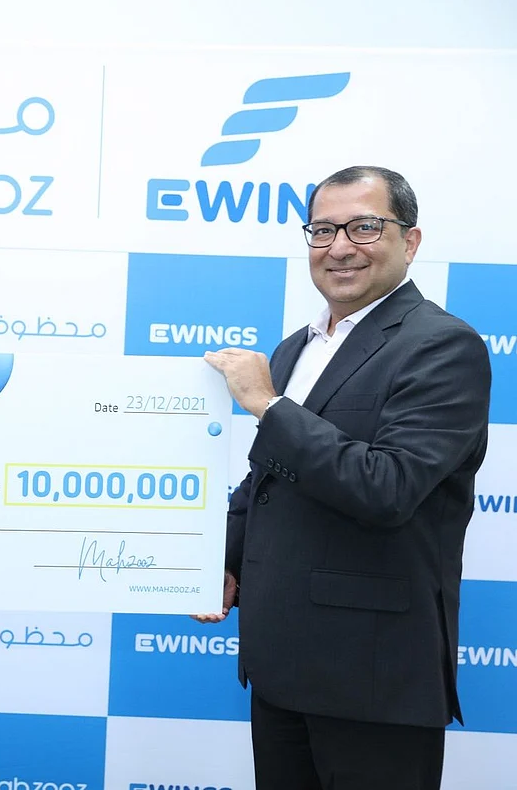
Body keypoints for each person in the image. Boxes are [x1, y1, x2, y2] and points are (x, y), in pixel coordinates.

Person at [198, 166, 491, 789]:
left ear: (410, 241)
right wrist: (216, 562)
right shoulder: (293, 349)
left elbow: (388, 488)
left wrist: (269, 406)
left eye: (364, 227)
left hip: (373, 672)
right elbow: (267, 481)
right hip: (279, 664)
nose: (339, 247)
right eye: (323, 230)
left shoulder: (442, 345)